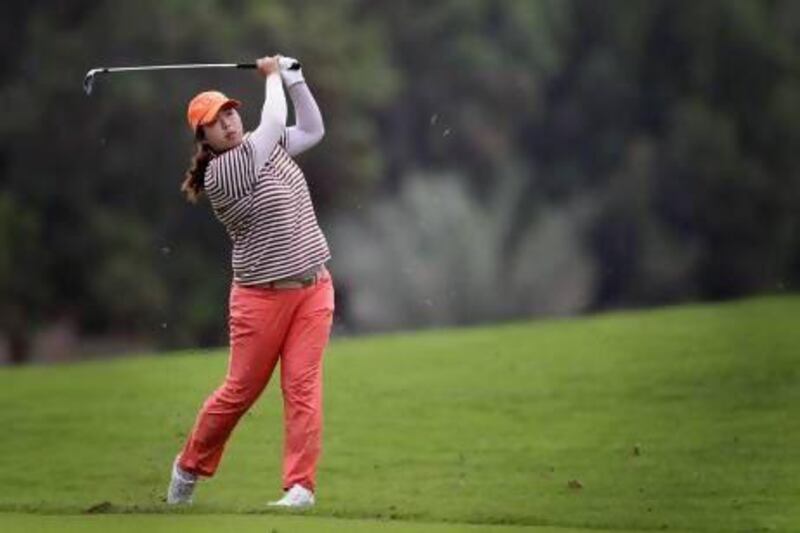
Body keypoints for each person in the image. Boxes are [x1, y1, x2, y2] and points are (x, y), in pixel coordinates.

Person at [166, 54, 334, 509]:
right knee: (240, 392)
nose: (228, 123)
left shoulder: (267, 145)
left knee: (302, 387)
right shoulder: (225, 172)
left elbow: (313, 129)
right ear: (203, 138)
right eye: (215, 122)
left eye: (230, 113)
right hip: (260, 300)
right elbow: (275, 117)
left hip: (313, 288)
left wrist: (296, 80)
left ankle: (300, 488)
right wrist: (273, 76)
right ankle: (188, 466)